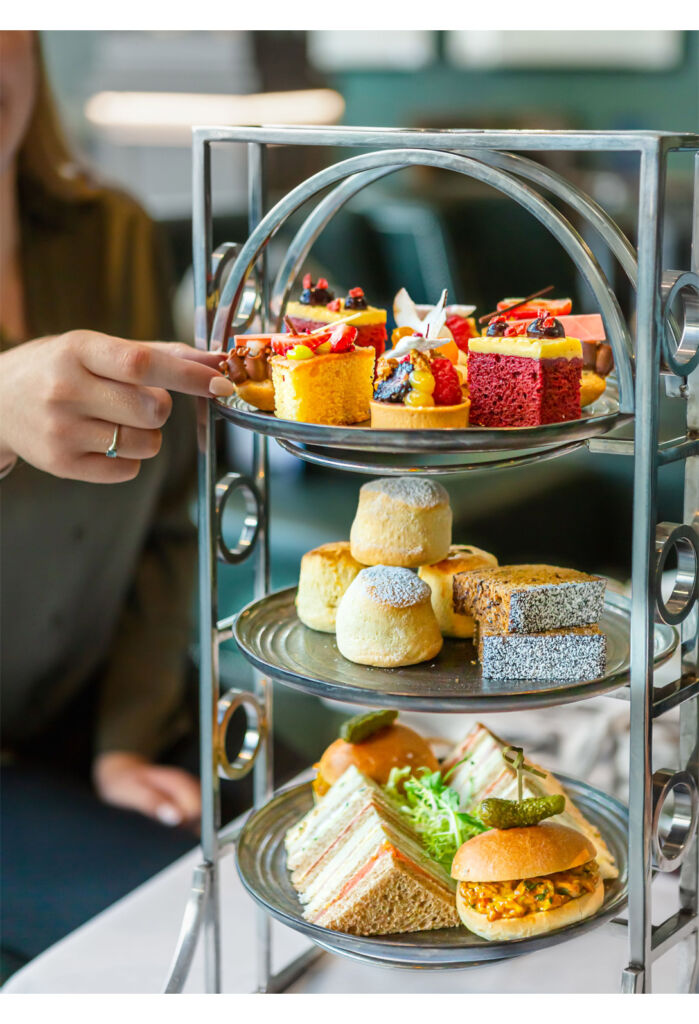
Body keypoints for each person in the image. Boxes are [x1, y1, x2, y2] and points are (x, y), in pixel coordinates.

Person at [0, 31, 237, 966]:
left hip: (113, 709)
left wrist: (126, 741)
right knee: (191, 941)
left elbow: (172, 520)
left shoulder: (117, 237)